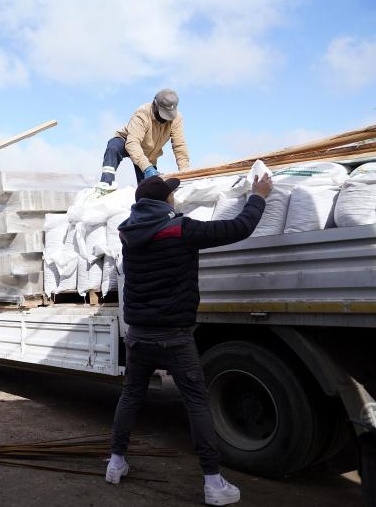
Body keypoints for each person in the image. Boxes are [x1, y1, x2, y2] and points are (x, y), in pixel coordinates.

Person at [106, 173, 273, 506]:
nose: (174, 199)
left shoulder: (129, 233)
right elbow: (239, 228)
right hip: (174, 336)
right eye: (171, 195)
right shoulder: (181, 229)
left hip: (138, 334)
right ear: (163, 202)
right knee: (196, 401)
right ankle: (213, 482)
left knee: (131, 396)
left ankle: (115, 463)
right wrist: (259, 196)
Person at [98, 89, 190, 192]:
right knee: (113, 147)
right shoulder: (142, 114)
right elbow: (132, 143)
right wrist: (147, 168)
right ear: (155, 105)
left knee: (150, 190)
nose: (165, 119)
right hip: (127, 142)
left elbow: (179, 146)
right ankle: (105, 185)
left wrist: (185, 172)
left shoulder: (176, 118)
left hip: (148, 155)